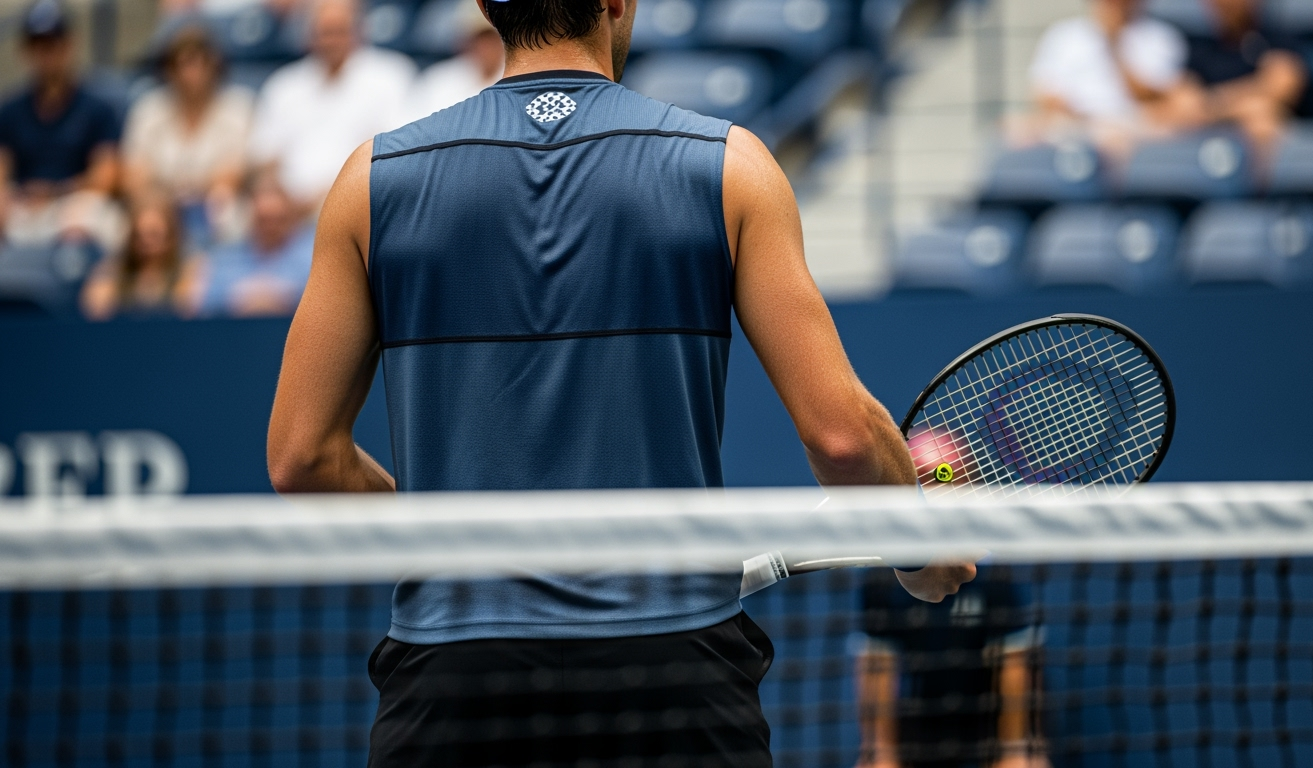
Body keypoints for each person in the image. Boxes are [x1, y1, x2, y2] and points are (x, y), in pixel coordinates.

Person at [265, 0, 977, 765]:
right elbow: (843, 438)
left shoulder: (371, 182)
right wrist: (920, 548)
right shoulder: (729, 166)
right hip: (672, 674)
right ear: (618, 2)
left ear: (484, 5)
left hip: (453, 680)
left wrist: (448, 539)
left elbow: (301, 457)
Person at [857, 567, 1046, 768]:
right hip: (919, 722)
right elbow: (877, 666)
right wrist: (880, 749)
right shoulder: (881, 579)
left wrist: (1013, 748)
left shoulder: (997, 574)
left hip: (988, 721)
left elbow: (1014, 663)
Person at [248, 0, 416, 212]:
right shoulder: (284, 85)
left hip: (358, 199)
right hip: (287, 209)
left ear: (358, 31)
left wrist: (328, 193)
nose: (331, 41)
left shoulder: (389, 77)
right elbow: (264, 157)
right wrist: (282, 197)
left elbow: (394, 154)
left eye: (339, 31)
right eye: (324, 32)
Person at [0, 0, 123, 253]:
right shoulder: (10, 110)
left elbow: (106, 177)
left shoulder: (97, 108)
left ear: (69, 45)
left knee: (88, 219)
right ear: (26, 50)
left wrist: (56, 192)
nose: (46, 54)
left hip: (74, 202)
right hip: (24, 206)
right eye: (38, 45)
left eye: (53, 44)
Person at [122, 24, 254, 249]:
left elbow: (231, 176)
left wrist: (192, 195)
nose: (191, 74)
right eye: (183, 65)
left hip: (212, 204)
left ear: (214, 66)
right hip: (159, 203)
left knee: (227, 213)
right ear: (169, 70)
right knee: (137, 218)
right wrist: (162, 202)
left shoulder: (237, 107)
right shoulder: (149, 109)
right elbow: (135, 176)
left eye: (199, 63)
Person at [1020, 0, 1188, 158]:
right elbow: (1046, 97)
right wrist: (1090, 121)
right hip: (1078, 125)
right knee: (1020, 131)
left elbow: (1156, 96)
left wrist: (1114, 44)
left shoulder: (1160, 37)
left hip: (1136, 125)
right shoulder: (1063, 35)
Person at [1174, 0, 1306, 158]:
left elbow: (1284, 85)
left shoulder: (1277, 38)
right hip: (1210, 123)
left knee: (1262, 118)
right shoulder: (1201, 46)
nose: (1223, 4)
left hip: (1265, 132)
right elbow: (1183, 97)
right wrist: (1233, 105)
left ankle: (1263, 183)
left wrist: (1214, 101)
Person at [191, 172, 313, 317]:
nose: (271, 227)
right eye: (264, 220)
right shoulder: (227, 255)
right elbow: (206, 303)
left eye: (278, 220)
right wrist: (240, 298)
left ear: (291, 217)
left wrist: (279, 296)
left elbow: (322, 297)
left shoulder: (312, 253)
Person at [80, 190, 198, 320]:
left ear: (171, 235)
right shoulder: (113, 269)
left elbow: (187, 308)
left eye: (154, 234)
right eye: (138, 235)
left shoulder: (188, 268)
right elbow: (95, 311)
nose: (145, 242)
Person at [402, 0, 506, 123]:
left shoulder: (520, 79)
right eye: (478, 40)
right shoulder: (437, 80)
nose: (485, 47)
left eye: (491, 39)